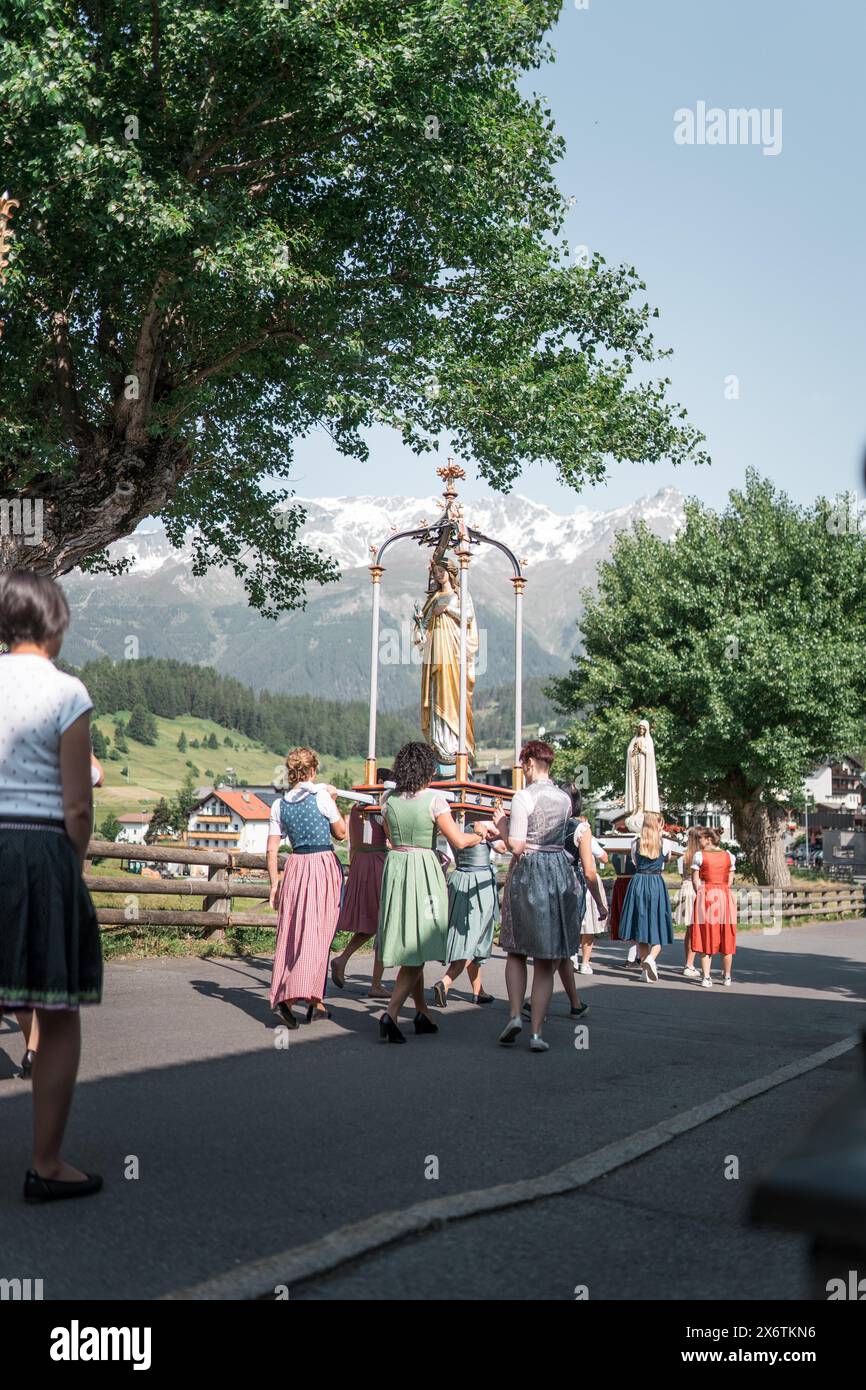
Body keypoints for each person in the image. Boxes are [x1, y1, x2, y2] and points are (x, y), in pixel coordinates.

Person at [0, 569, 103, 1202]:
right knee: (57, 1010)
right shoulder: (67, 692)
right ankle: (46, 1162)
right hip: (40, 850)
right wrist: (73, 862)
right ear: (55, 622)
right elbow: (79, 808)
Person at [377, 742, 493, 1043]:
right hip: (423, 869)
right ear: (428, 771)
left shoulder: (387, 799)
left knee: (412, 942)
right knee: (421, 942)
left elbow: (389, 835)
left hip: (397, 867)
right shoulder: (435, 800)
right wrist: (478, 833)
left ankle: (422, 1012)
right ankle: (389, 1014)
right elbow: (457, 839)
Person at [492, 741, 583, 1052]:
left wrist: (501, 825)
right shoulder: (565, 800)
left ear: (529, 763)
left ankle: (516, 1014)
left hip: (529, 872)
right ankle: (536, 1034)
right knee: (546, 958)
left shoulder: (522, 797)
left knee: (516, 950)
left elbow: (516, 845)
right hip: (558, 870)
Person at [267, 748, 347, 1027]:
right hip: (321, 865)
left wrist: (274, 883)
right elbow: (341, 833)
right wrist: (334, 801)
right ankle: (288, 998)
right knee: (317, 933)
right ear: (312, 771)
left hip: (295, 867)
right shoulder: (321, 796)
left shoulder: (279, 805)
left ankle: (317, 1001)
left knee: (294, 933)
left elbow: (271, 849)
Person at [330, 769, 393, 1000]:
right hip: (377, 859)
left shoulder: (356, 808)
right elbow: (391, 836)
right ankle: (375, 983)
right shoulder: (377, 808)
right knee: (382, 921)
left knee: (374, 922)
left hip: (360, 862)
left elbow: (352, 843)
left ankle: (343, 959)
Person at [413, 556, 479, 763]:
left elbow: (468, 617)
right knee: (437, 690)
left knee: (453, 689)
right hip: (435, 647)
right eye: (435, 573)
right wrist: (420, 628)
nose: (439, 575)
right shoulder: (433, 599)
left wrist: (447, 609)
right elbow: (423, 627)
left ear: (450, 572)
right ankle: (440, 741)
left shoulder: (460, 595)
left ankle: (455, 742)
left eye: (442, 571)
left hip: (454, 648)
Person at [432, 829, 497, 1008]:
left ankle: (478, 991)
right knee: (473, 939)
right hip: (479, 883)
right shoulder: (485, 825)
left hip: (459, 878)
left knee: (470, 937)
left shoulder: (455, 823)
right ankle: (445, 982)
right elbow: (503, 846)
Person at [617, 810, 674, 981]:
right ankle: (650, 959)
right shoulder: (665, 843)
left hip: (639, 882)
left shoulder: (636, 842)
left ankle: (645, 971)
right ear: (658, 824)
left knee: (640, 927)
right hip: (656, 882)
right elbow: (667, 860)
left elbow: (634, 861)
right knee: (658, 924)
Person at [690, 827, 737, 987]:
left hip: (707, 895)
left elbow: (695, 881)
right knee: (726, 935)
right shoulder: (729, 856)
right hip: (724, 896)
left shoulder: (699, 856)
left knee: (706, 935)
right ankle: (727, 977)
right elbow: (730, 881)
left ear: (709, 839)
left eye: (701, 838)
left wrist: (702, 893)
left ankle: (706, 977)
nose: (699, 841)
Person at [675, 827, 704, 979]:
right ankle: (689, 964)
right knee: (694, 930)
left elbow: (681, 873)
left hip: (684, 887)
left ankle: (688, 962)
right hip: (695, 888)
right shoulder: (700, 855)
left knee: (689, 929)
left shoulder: (683, 854)